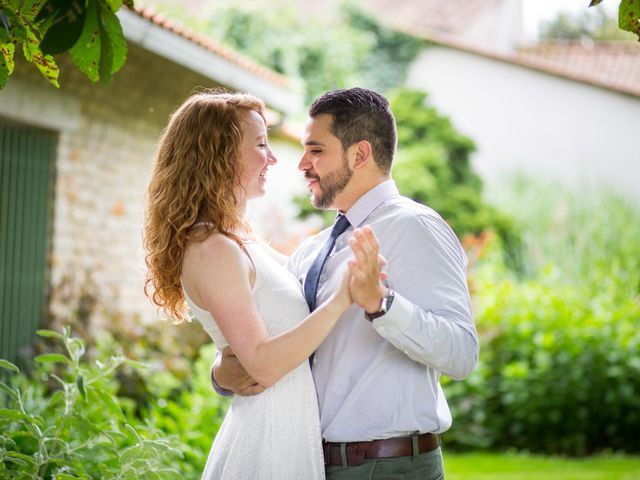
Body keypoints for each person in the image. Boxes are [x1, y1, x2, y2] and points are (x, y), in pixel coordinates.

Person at [213, 87, 479, 479]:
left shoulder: (416, 228)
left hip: (389, 466)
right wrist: (222, 373)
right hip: (311, 463)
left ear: (360, 154)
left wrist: (382, 305)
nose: (302, 163)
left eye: (316, 150)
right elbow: (273, 339)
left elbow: (461, 353)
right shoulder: (312, 250)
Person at [143, 91, 383, 479]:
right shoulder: (212, 250)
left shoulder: (237, 242)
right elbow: (263, 365)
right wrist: (342, 299)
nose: (272, 158)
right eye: (260, 145)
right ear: (217, 154)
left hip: (286, 428)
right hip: (267, 439)